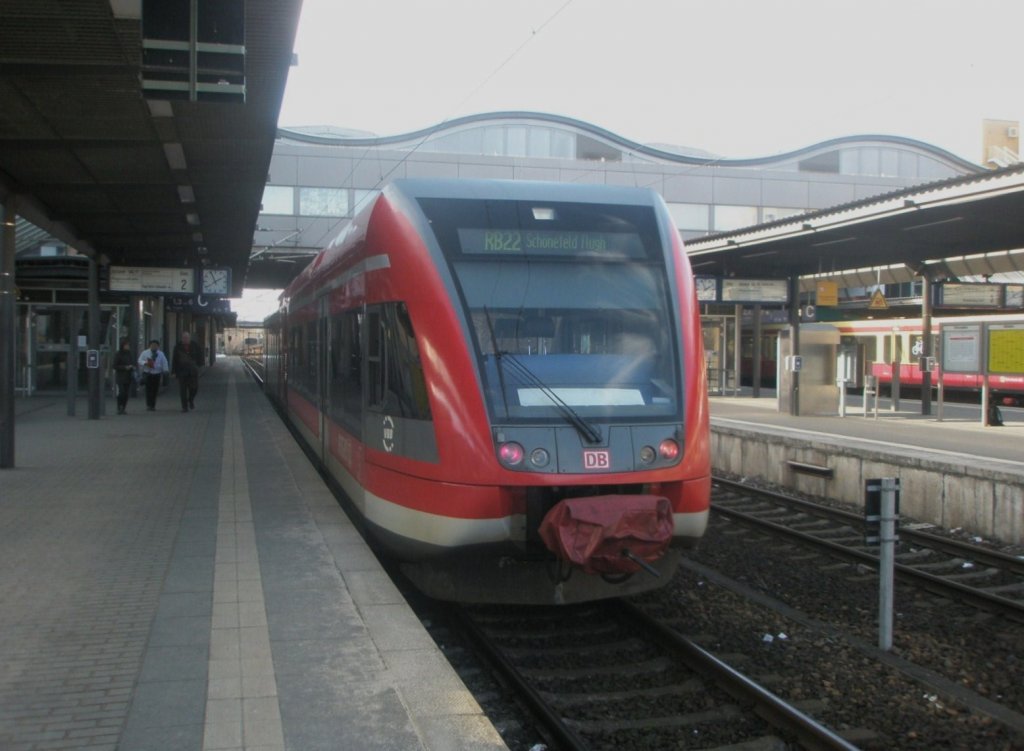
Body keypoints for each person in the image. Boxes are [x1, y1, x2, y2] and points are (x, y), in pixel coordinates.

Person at [172, 332, 204, 412]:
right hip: (182, 371)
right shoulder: (178, 347)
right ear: (182, 338)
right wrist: (174, 371)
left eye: (187, 338)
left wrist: (200, 366)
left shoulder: (195, 345)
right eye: (184, 338)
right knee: (183, 390)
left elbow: (200, 356)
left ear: (189, 338)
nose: (185, 339)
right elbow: (175, 359)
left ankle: (190, 399)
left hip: (193, 371)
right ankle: (184, 407)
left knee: (194, 388)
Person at [137, 340, 169, 411]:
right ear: (150, 346)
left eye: (155, 345)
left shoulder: (160, 354)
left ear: (158, 346)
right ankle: (148, 404)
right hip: (148, 373)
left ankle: (153, 405)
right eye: (152, 345)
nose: (154, 347)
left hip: (157, 373)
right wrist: (145, 363)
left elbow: (164, 362)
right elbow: (139, 360)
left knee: (155, 390)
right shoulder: (145, 353)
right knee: (148, 389)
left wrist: (165, 370)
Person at [112, 337, 136, 415]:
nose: (128, 347)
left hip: (128, 376)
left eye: (128, 345)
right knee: (121, 392)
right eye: (126, 345)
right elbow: (115, 365)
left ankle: (123, 407)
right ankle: (119, 407)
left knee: (126, 393)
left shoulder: (129, 354)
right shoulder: (118, 354)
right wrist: (124, 367)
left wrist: (132, 367)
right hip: (121, 376)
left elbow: (132, 362)